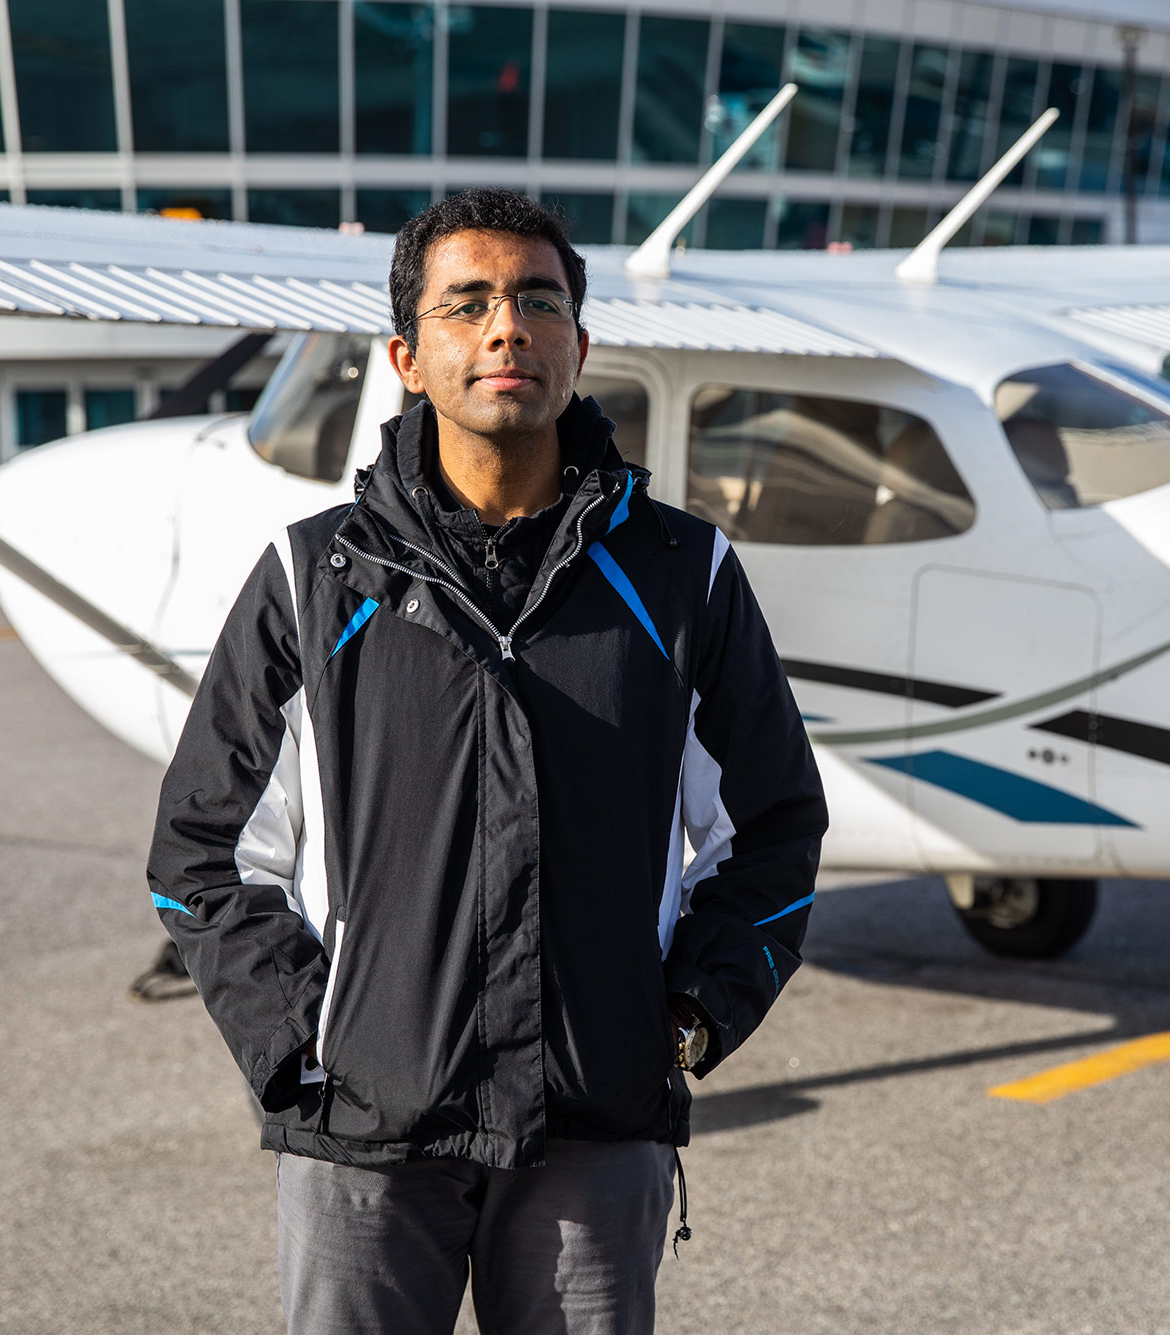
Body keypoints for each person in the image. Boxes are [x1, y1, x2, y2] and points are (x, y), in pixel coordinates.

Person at [146, 188, 827, 1335]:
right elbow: (200, 851)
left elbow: (772, 828)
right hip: (360, 1133)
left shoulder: (685, 574)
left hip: (595, 1125)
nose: (507, 327)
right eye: (467, 304)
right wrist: (311, 1044)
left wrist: (686, 1020)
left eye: (538, 300)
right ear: (409, 357)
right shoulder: (309, 580)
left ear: (580, 345)